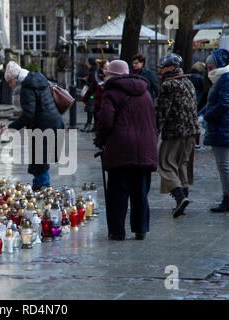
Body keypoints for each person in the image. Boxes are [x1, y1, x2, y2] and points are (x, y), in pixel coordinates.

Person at [94, 60, 157, 241]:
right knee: (140, 191)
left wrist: (100, 140)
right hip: (145, 148)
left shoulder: (111, 92)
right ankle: (140, 229)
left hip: (120, 148)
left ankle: (117, 231)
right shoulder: (145, 92)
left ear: (112, 76)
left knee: (118, 192)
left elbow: (105, 120)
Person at [1, 61, 64, 191]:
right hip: (52, 122)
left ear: (14, 78)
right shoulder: (39, 80)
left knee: (40, 158)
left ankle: (44, 188)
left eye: (9, 81)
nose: (10, 85)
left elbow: (28, 114)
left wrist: (10, 128)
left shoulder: (26, 88)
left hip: (43, 125)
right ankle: (39, 186)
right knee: (41, 157)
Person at [156, 53, 201, 218]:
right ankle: (183, 199)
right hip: (191, 130)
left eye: (163, 67)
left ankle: (180, 197)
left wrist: (155, 130)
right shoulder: (188, 82)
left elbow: (161, 111)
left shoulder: (168, 85)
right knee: (182, 164)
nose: (160, 70)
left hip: (175, 131)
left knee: (166, 165)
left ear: (171, 68)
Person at [203, 48, 229, 213]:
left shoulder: (227, 78)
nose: (209, 69)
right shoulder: (224, 78)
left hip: (224, 127)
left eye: (210, 66)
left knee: (225, 165)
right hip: (223, 127)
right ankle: (228, 198)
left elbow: (223, 104)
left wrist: (207, 116)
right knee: (223, 165)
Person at [83, 59, 109, 132]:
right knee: (91, 109)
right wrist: (85, 99)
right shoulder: (96, 75)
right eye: (107, 66)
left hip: (102, 101)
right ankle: (92, 125)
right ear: (102, 67)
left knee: (91, 109)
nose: (108, 67)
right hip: (96, 99)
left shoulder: (110, 76)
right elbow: (91, 88)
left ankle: (91, 125)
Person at [189, 61, 206, 150]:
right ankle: (196, 143)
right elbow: (202, 92)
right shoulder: (199, 78)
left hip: (189, 103)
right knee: (197, 125)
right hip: (197, 103)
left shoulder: (189, 76)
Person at [80, 57, 98, 132]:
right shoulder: (94, 70)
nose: (86, 63)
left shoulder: (93, 72)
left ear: (90, 63)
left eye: (87, 62)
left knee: (90, 108)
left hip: (92, 94)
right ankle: (95, 126)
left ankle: (88, 125)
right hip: (93, 94)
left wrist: (86, 81)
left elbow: (92, 84)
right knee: (93, 109)